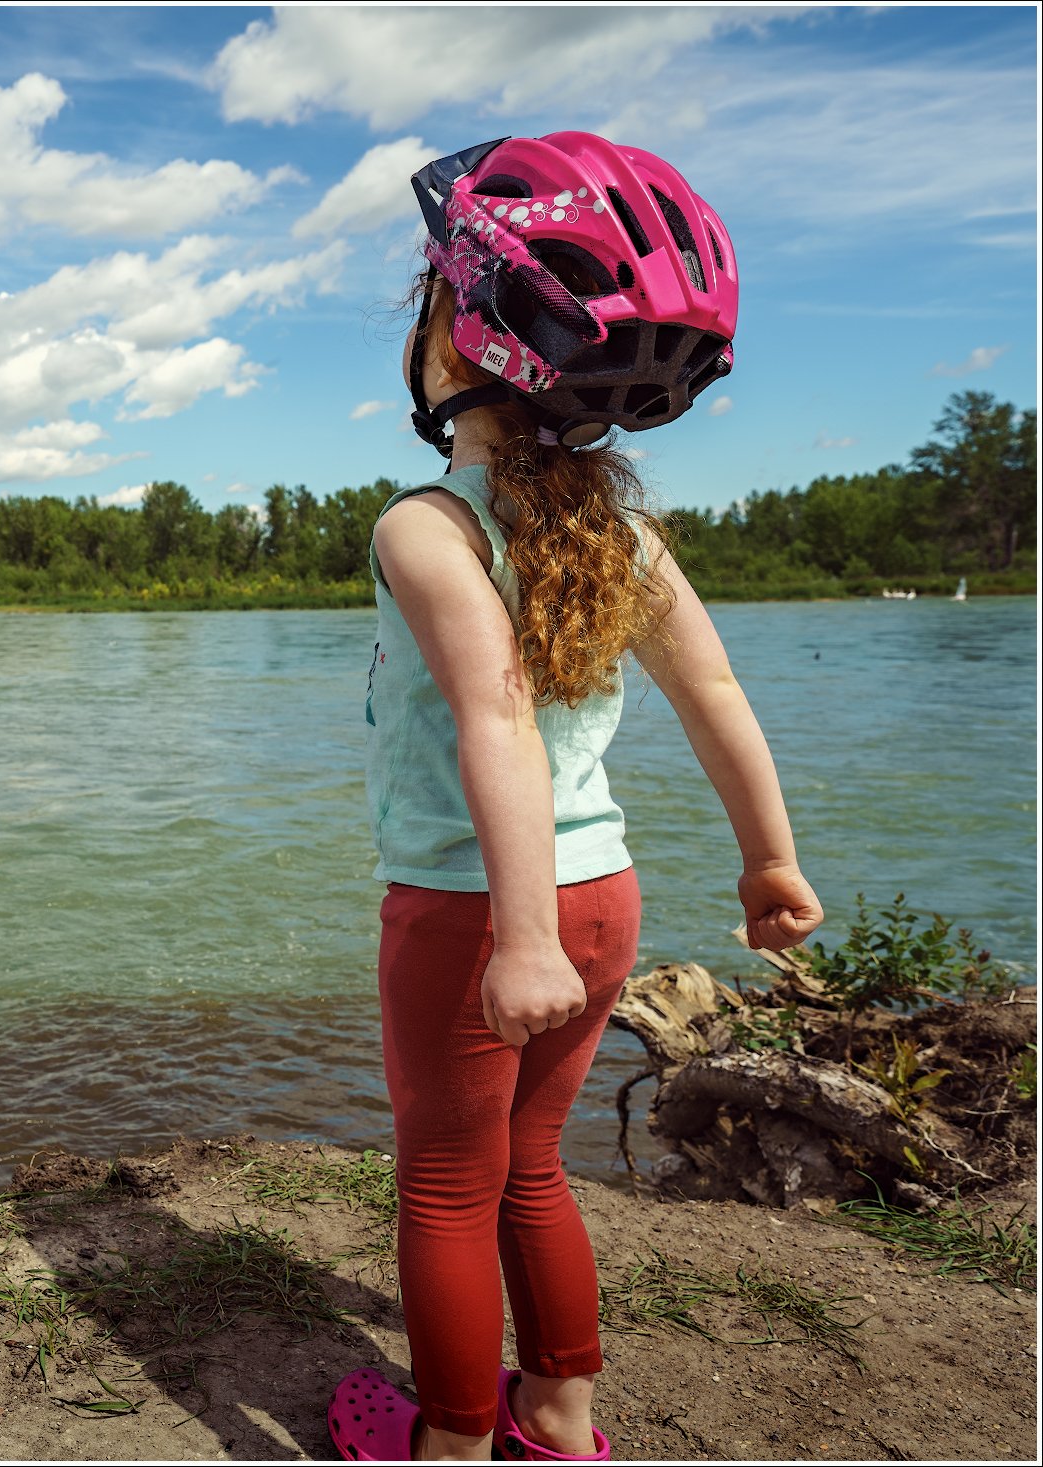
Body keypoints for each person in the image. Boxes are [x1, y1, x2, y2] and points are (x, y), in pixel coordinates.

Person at [323, 132, 824, 1463]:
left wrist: (521, 935)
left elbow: (494, 721)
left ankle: (444, 1445)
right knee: (531, 1166)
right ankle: (555, 1418)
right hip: (604, 896)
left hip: (476, 913)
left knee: (444, 1179)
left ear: (453, 334)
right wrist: (768, 861)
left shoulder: (426, 525)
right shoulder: (627, 531)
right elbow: (717, 695)